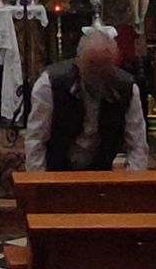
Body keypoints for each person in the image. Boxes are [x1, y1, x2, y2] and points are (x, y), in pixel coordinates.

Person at [25, 30, 148, 172]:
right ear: (78, 61)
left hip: (101, 173)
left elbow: (138, 146)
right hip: (55, 171)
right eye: (92, 65)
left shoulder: (127, 89)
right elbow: (36, 140)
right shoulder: (50, 85)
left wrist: (132, 183)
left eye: (104, 66)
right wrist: (40, 184)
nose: (98, 72)